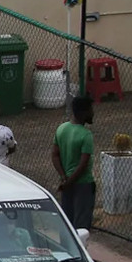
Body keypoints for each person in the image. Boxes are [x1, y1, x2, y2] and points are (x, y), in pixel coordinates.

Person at [53, 96, 96, 230]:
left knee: (67, 222)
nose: (92, 113)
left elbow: (54, 155)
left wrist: (64, 178)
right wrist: (70, 182)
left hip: (67, 184)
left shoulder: (61, 129)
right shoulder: (86, 135)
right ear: (83, 112)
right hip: (83, 184)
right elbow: (83, 165)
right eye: (90, 110)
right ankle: (81, 249)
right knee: (81, 224)